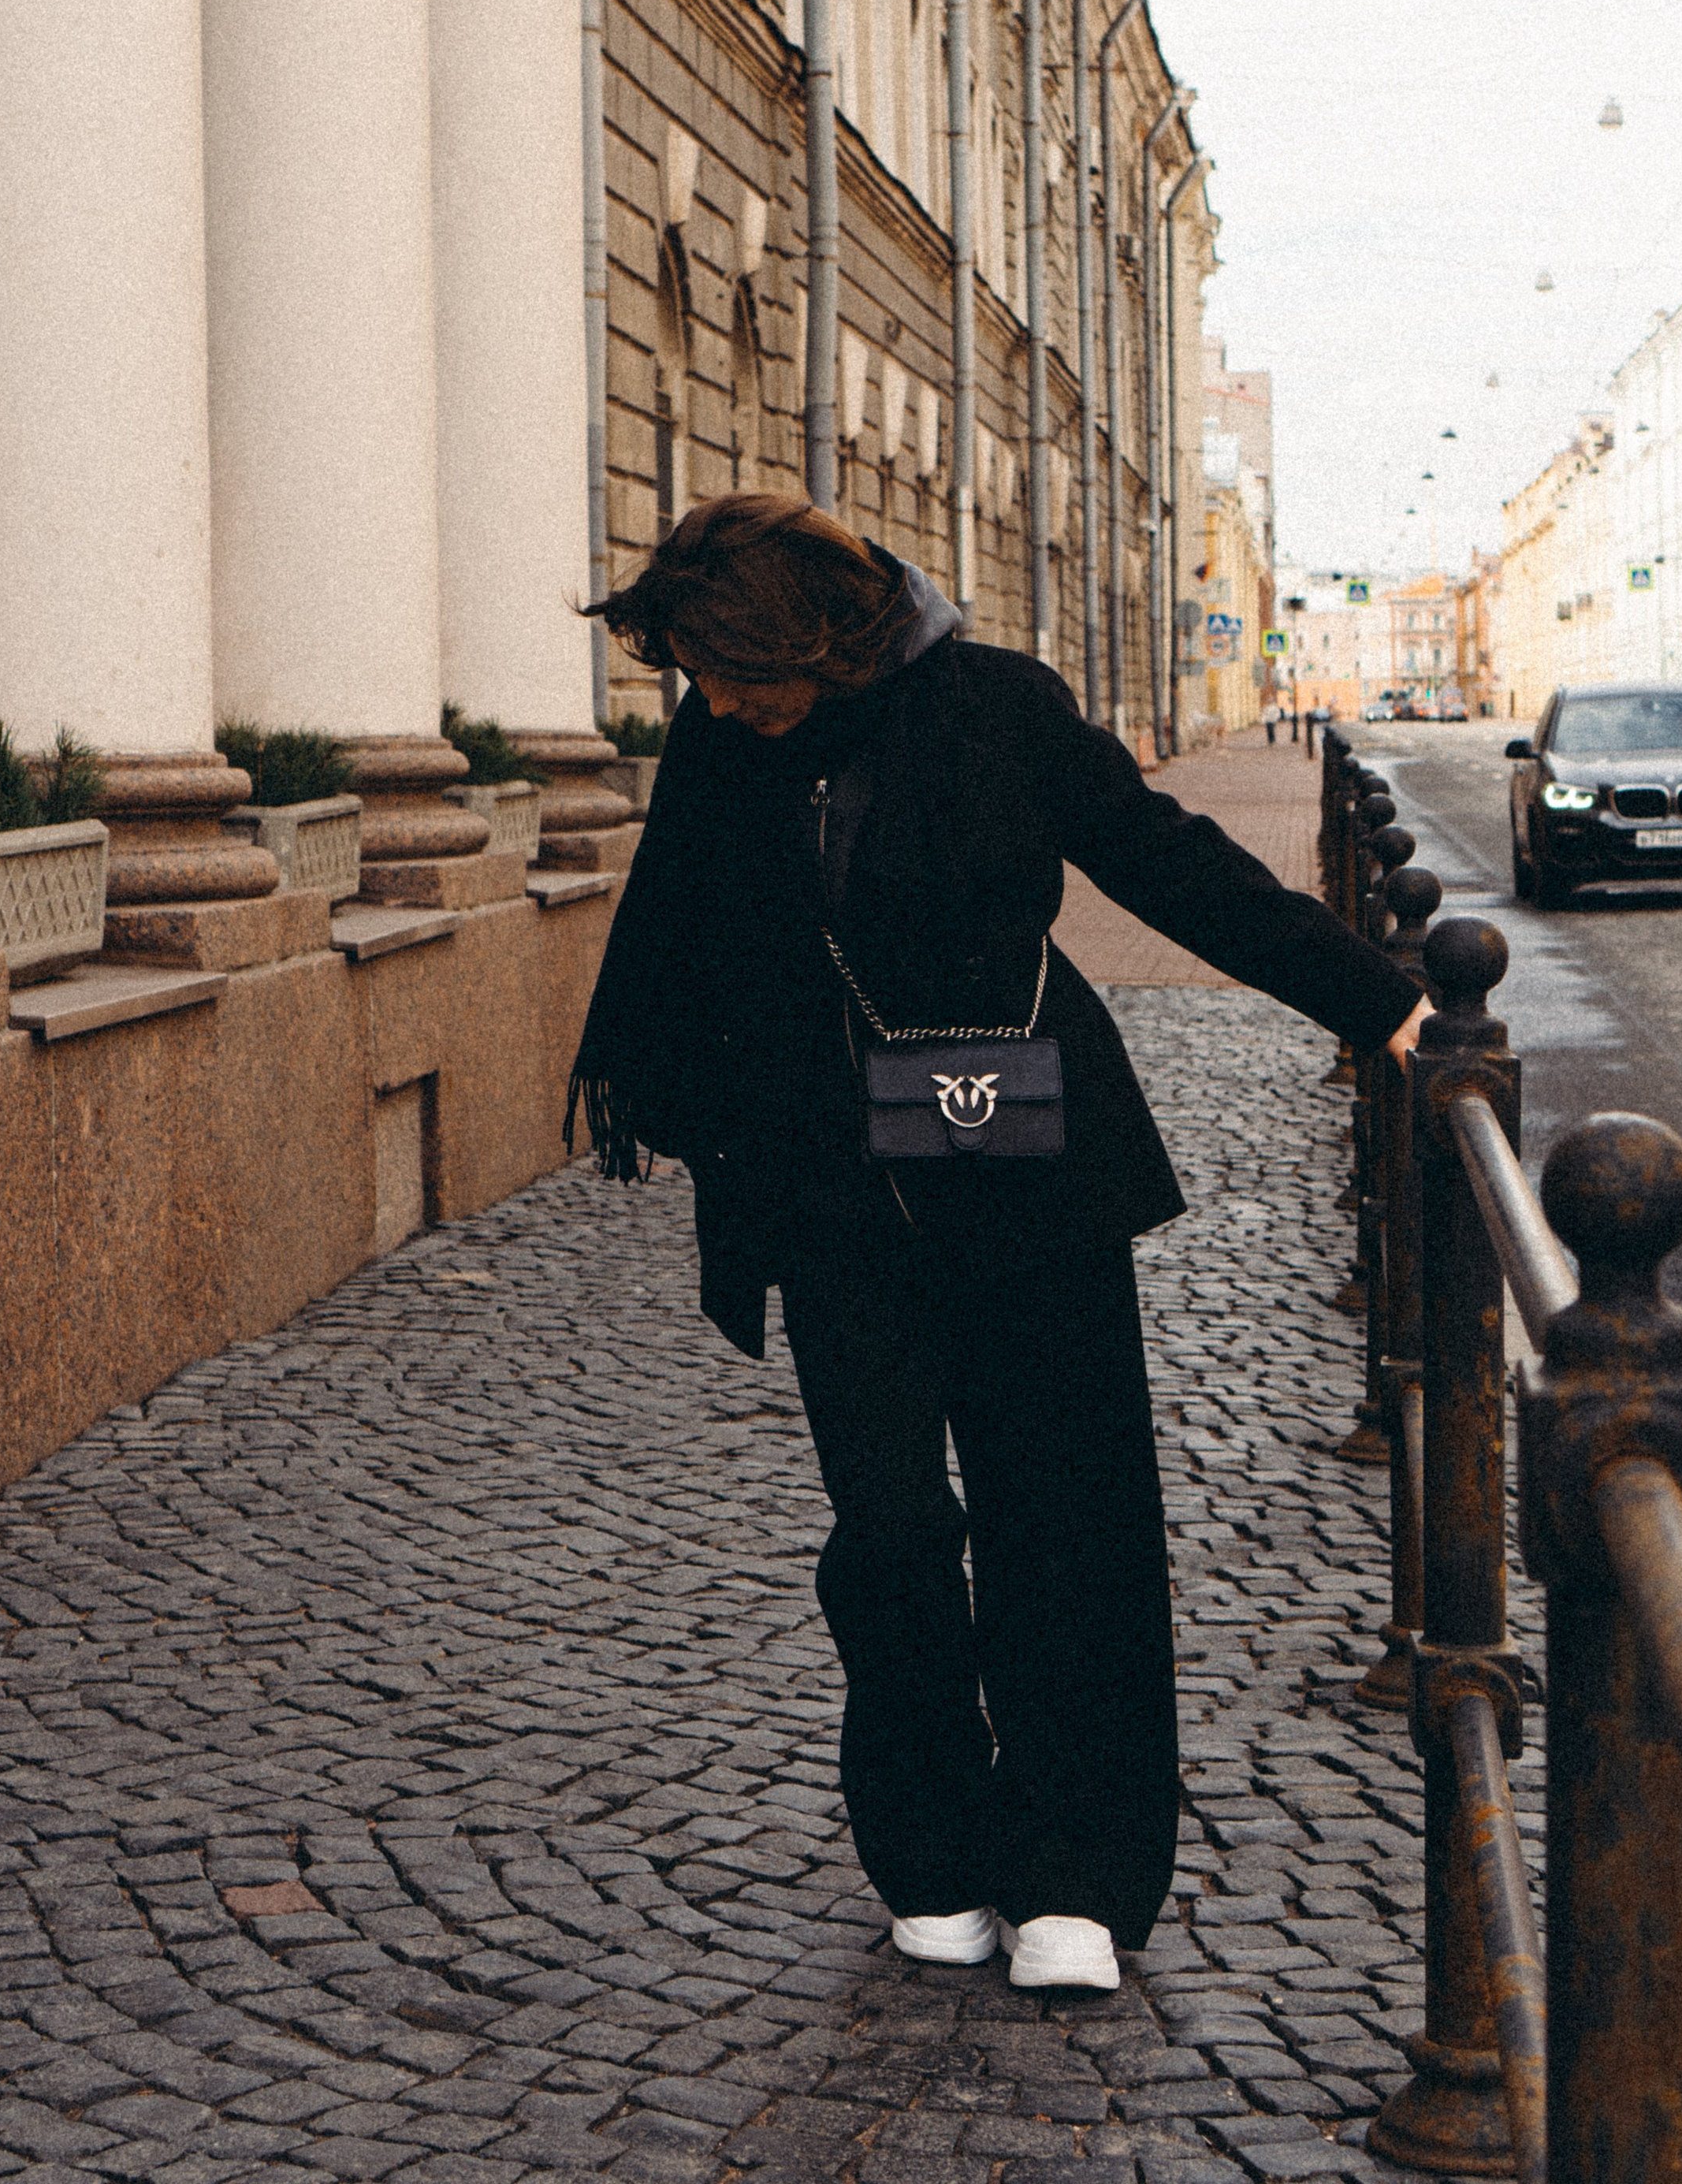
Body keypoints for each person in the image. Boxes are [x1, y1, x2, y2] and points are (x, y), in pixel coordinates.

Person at [567, 497, 1425, 1993]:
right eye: (696, 673)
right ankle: (932, 1847)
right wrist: (717, 1126)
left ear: (816, 639)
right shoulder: (727, 743)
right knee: (890, 1529)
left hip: (1027, 1167)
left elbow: (1171, 863)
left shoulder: (998, 705)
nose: (712, 700)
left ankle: (1074, 1873)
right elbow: (682, 937)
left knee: (1065, 1513)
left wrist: (1378, 1003)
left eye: (729, 667)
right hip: (835, 1200)